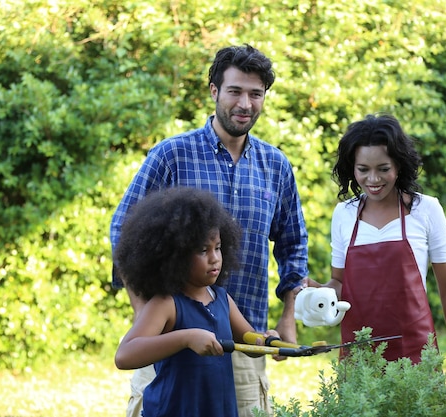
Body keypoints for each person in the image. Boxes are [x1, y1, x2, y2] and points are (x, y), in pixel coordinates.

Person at [110, 44, 309, 417]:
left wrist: (286, 320)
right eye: (235, 91)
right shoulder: (172, 155)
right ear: (215, 91)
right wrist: (147, 315)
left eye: (255, 94)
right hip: (171, 346)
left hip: (245, 342)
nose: (245, 104)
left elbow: (293, 243)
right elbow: (123, 229)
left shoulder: (276, 166)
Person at [309, 113, 446, 379]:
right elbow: (339, 282)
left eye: (383, 169)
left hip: (416, 354)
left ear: (399, 166)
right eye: (363, 170)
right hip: (357, 356)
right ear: (352, 168)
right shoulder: (343, 214)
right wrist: (316, 291)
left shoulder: (426, 209)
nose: (373, 179)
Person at [114, 187, 279, 417]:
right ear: (175, 255)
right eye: (203, 250)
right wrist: (186, 338)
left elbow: (249, 339)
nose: (215, 258)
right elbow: (124, 356)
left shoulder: (221, 298)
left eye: (218, 248)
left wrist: (267, 341)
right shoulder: (166, 303)